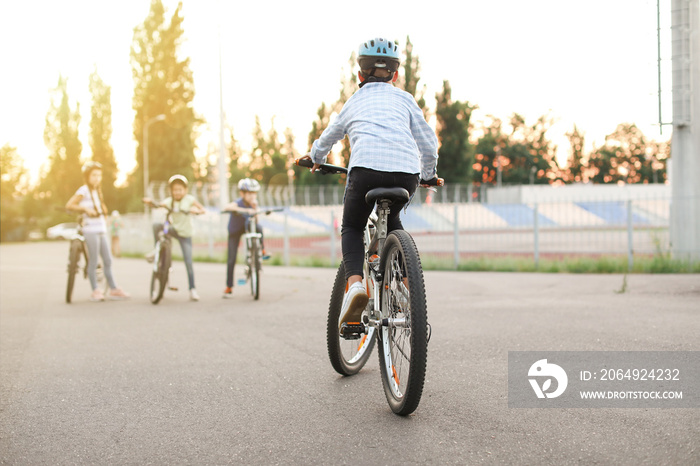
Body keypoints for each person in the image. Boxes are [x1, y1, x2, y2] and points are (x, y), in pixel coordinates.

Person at [301, 37, 439, 329]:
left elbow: (330, 135)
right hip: (405, 174)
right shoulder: (405, 99)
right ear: (396, 74)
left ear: (360, 74)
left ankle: (355, 286)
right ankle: (411, 296)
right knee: (395, 223)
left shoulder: (355, 100)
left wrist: (316, 157)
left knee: (352, 226)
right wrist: (428, 174)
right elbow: (428, 142)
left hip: (365, 171)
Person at [66, 161, 130, 301]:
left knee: (107, 260)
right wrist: (85, 209)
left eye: (99, 175)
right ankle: (95, 290)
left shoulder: (97, 192)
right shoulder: (83, 190)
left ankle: (113, 289)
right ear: (87, 177)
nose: (97, 178)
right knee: (93, 261)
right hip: (90, 230)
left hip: (101, 229)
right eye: (94, 175)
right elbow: (70, 205)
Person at [143, 174, 206, 301]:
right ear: (171, 191)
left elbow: (202, 209)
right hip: (174, 229)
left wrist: (196, 211)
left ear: (185, 190)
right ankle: (157, 249)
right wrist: (151, 203)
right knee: (157, 226)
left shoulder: (189, 200)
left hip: (185, 234)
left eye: (180, 189)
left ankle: (192, 289)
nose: (177, 192)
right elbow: (159, 205)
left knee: (188, 261)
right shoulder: (169, 201)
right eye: (175, 190)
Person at [221, 178, 268, 298]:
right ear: (242, 193)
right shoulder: (238, 202)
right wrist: (245, 210)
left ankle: (261, 249)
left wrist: (254, 210)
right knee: (231, 258)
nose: (252, 195)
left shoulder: (254, 204)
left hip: (248, 227)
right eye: (249, 193)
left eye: (254, 193)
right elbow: (227, 207)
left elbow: (256, 220)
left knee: (259, 227)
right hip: (235, 230)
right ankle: (229, 286)